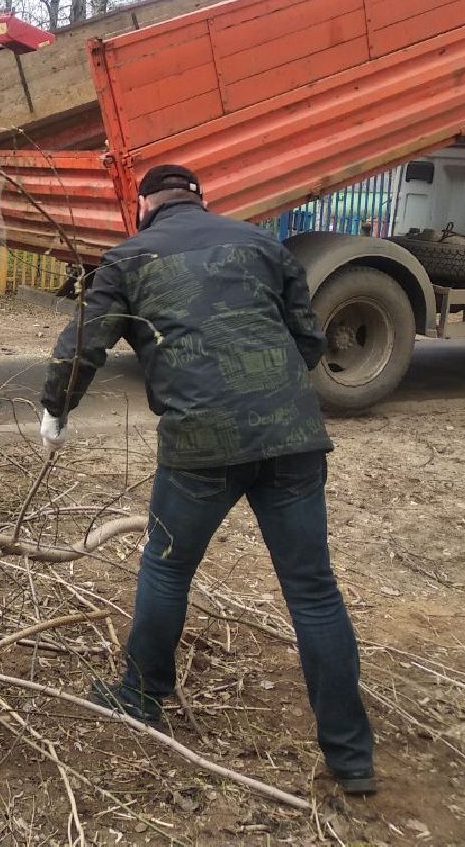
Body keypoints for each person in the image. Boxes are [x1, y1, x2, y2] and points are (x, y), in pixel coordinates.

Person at [39, 163, 376, 796]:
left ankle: (140, 696)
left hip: (201, 443)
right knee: (312, 592)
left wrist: (57, 408)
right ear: (200, 200)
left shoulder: (127, 258)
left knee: (167, 569)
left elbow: (82, 345)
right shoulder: (261, 245)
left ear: (143, 206)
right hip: (291, 436)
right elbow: (308, 340)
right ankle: (352, 756)